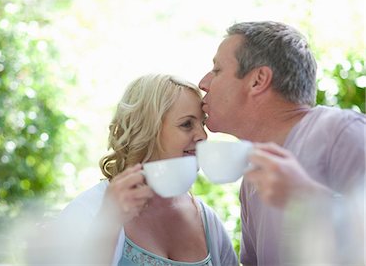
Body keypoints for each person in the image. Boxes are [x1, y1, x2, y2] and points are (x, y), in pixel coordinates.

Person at [198, 21, 365, 265]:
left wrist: (307, 197)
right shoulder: (253, 179)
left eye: (217, 70)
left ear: (258, 80)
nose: (203, 83)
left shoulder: (341, 132)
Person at [34, 74, 238, 265]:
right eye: (186, 124)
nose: (203, 135)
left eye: (202, 123)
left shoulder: (206, 220)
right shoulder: (86, 212)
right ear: (147, 130)